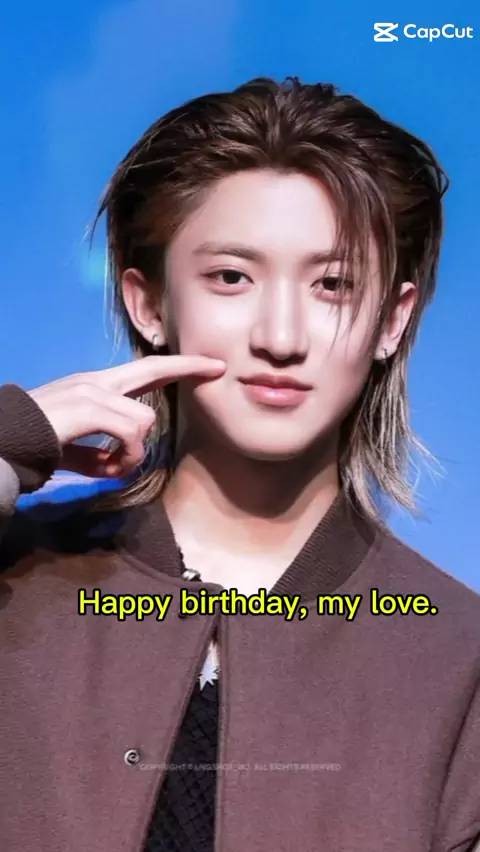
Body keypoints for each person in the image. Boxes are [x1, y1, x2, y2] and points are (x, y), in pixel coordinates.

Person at [0, 76, 479, 852]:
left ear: (392, 321)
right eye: (232, 276)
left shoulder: (459, 660)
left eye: (333, 284)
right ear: (149, 304)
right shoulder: (16, 580)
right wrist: (8, 440)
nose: (280, 336)